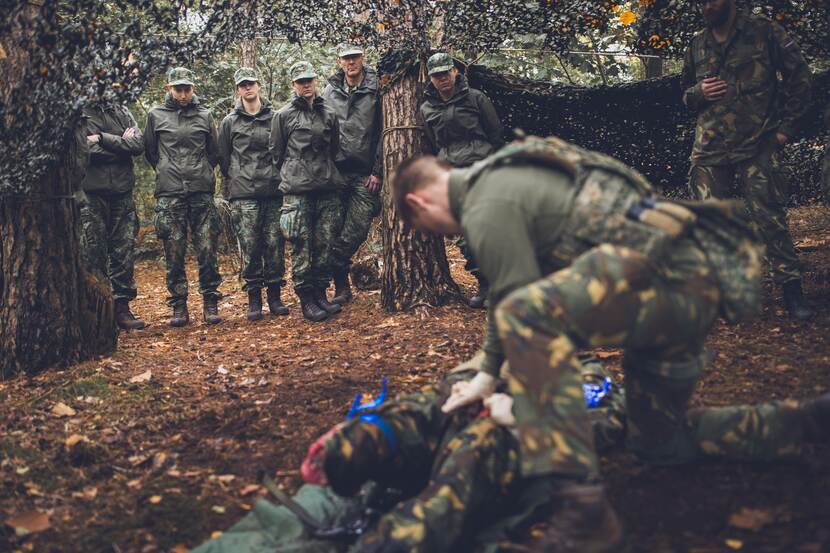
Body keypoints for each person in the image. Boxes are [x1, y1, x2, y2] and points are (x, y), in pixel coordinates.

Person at [392, 135, 830, 552]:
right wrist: (489, 376)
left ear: (418, 202)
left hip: (665, 286)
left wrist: (518, 401)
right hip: (683, 291)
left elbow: (516, 306)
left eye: (430, 228)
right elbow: (536, 300)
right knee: (659, 443)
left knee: (522, 315)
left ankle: (583, 514)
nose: (444, 235)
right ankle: (805, 423)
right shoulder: (513, 173)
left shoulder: (487, 202)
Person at [192, 355, 626, 553]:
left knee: (476, 453)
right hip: (454, 422)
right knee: (392, 426)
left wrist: (521, 414)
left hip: (508, 446)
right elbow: (437, 399)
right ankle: (356, 450)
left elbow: (603, 425)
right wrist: (368, 430)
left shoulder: (584, 374)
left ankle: (389, 542)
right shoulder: (505, 345)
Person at [681, 0, 813, 319]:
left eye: (711, 1)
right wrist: (698, 92)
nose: (705, 6)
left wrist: (785, 131)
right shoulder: (697, 43)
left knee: (769, 216)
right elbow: (684, 94)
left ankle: (791, 290)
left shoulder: (764, 32)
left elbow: (801, 78)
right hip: (710, 148)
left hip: (758, 143)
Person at [420, 52, 504, 309]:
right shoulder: (427, 108)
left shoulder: (475, 98)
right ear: (430, 79)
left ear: (455, 72)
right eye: (437, 75)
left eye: (446, 73)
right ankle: (485, 283)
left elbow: (496, 133)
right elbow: (433, 144)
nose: (443, 79)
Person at [145, 67, 222, 327]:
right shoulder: (156, 116)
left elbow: (215, 152)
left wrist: (200, 171)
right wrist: (168, 170)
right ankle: (179, 305)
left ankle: (210, 302)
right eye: (178, 89)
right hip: (170, 193)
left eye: (187, 88)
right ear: (169, 88)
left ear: (193, 89)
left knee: (207, 249)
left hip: (201, 190)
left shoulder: (205, 115)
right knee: (174, 251)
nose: (183, 93)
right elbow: (150, 153)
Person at [270, 61, 344, 322]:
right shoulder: (283, 115)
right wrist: (295, 172)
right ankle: (306, 298)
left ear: (315, 81)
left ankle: (321, 292)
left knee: (324, 242)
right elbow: (276, 153)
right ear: (294, 85)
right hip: (297, 188)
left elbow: (335, 147)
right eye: (301, 81)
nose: (306, 85)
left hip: (326, 185)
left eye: (309, 80)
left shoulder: (329, 113)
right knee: (302, 243)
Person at [218, 67, 289, 321]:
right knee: (250, 245)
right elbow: (224, 159)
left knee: (274, 244)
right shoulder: (229, 122)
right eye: (242, 85)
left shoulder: (276, 117)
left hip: (272, 190)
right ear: (238, 90)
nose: (248, 88)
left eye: (251, 83)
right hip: (244, 193)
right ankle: (254, 299)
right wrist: (238, 178)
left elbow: (282, 150)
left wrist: (277, 176)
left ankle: (275, 297)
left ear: (258, 86)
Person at [322, 43, 384, 305]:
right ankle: (341, 288)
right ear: (339, 62)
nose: (351, 63)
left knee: (354, 231)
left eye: (355, 57)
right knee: (332, 230)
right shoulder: (329, 91)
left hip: (364, 174)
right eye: (346, 59)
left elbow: (384, 131)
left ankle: (332, 267)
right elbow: (322, 131)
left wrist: (378, 170)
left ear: (363, 58)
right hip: (335, 174)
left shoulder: (376, 87)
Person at [80, 101, 146, 330]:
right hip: (91, 194)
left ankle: (121, 309)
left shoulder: (122, 110)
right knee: (93, 251)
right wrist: (120, 145)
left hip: (122, 192)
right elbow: (81, 148)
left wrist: (100, 137)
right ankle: (98, 312)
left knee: (123, 252)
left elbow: (137, 144)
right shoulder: (79, 112)